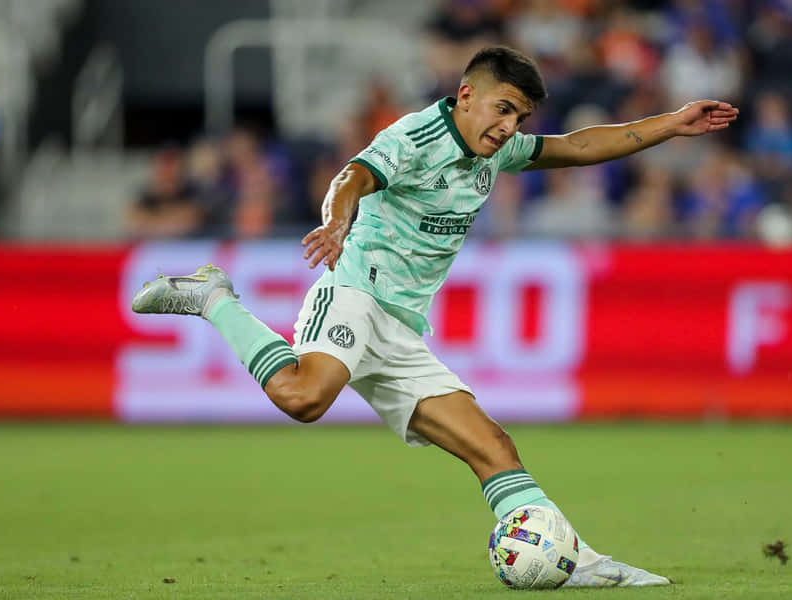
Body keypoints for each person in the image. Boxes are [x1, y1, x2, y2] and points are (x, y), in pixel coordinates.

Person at [132, 46, 737, 587]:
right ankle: (213, 298)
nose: (509, 128)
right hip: (355, 293)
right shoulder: (416, 137)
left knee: (493, 448)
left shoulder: (495, 150)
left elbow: (578, 146)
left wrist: (672, 124)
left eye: (520, 118)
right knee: (304, 397)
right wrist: (338, 222)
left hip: (401, 328)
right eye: (503, 109)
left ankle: (576, 559)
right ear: (466, 95)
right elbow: (352, 176)